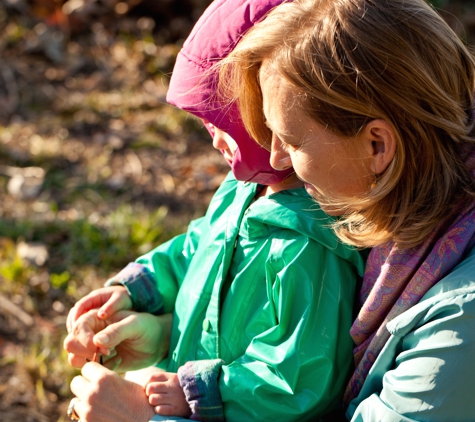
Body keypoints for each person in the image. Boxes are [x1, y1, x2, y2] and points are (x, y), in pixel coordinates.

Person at [63, 0, 366, 421]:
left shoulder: (308, 246)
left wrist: (203, 390)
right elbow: (197, 243)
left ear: (273, 114)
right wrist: (137, 289)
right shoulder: (243, 190)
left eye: (221, 123)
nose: (213, 140)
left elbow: (300, 379)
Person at [217, 0, 475, 420]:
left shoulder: (462, 319)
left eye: (292, 141)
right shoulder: (410, 216)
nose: (276, 160)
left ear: (377, 146)